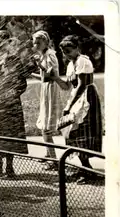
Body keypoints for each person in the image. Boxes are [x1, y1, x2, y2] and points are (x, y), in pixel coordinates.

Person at [49, 35, 103, 184]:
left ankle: (87, 171)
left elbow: (81, 86)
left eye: (69, 50)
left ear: (77, 48)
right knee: (74, 134)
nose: (66, 54)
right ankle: (85, 168)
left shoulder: (83, 61)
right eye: (64, 52)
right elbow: (67, 86)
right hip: (77, 99)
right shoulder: (71, 64)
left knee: (82, 133)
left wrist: (68, 106)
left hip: (87, 99)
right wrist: (54, 77)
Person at [0, 30, 32, 178]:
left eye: (0, 43)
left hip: (12, 104)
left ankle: (10, 167)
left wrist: (14, 93)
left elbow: (22, 83)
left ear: (7, 42)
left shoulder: (15, 60)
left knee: (12, 135)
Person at [30, 30, 61, 171]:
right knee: (44, 125)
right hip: (46, 89)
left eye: (38, 42)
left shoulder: (50, 55)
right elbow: (43, 78)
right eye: (34, 42)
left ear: (46, 42)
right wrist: (30, 74)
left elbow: (51, 75)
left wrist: (39, 65)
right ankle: (49, 154)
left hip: (50, 90)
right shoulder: (43, 55)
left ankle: (54, 160)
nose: (35, 44)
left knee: (46, 128)